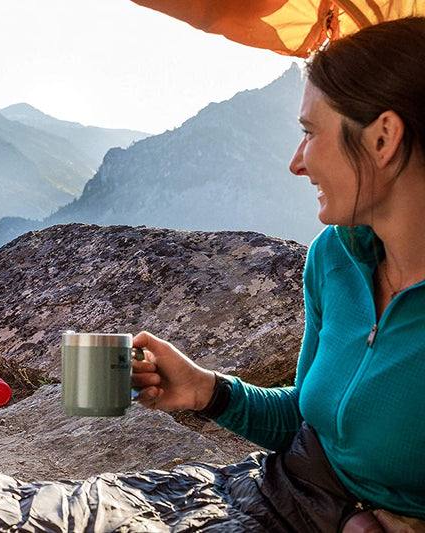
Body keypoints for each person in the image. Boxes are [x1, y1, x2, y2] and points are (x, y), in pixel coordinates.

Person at [132, 17, 425, 532]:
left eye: (310, 133)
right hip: (284, 496)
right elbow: (308, 421)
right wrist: (207, 390)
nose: (296, 162)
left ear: (383, 138)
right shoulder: (335, 257)